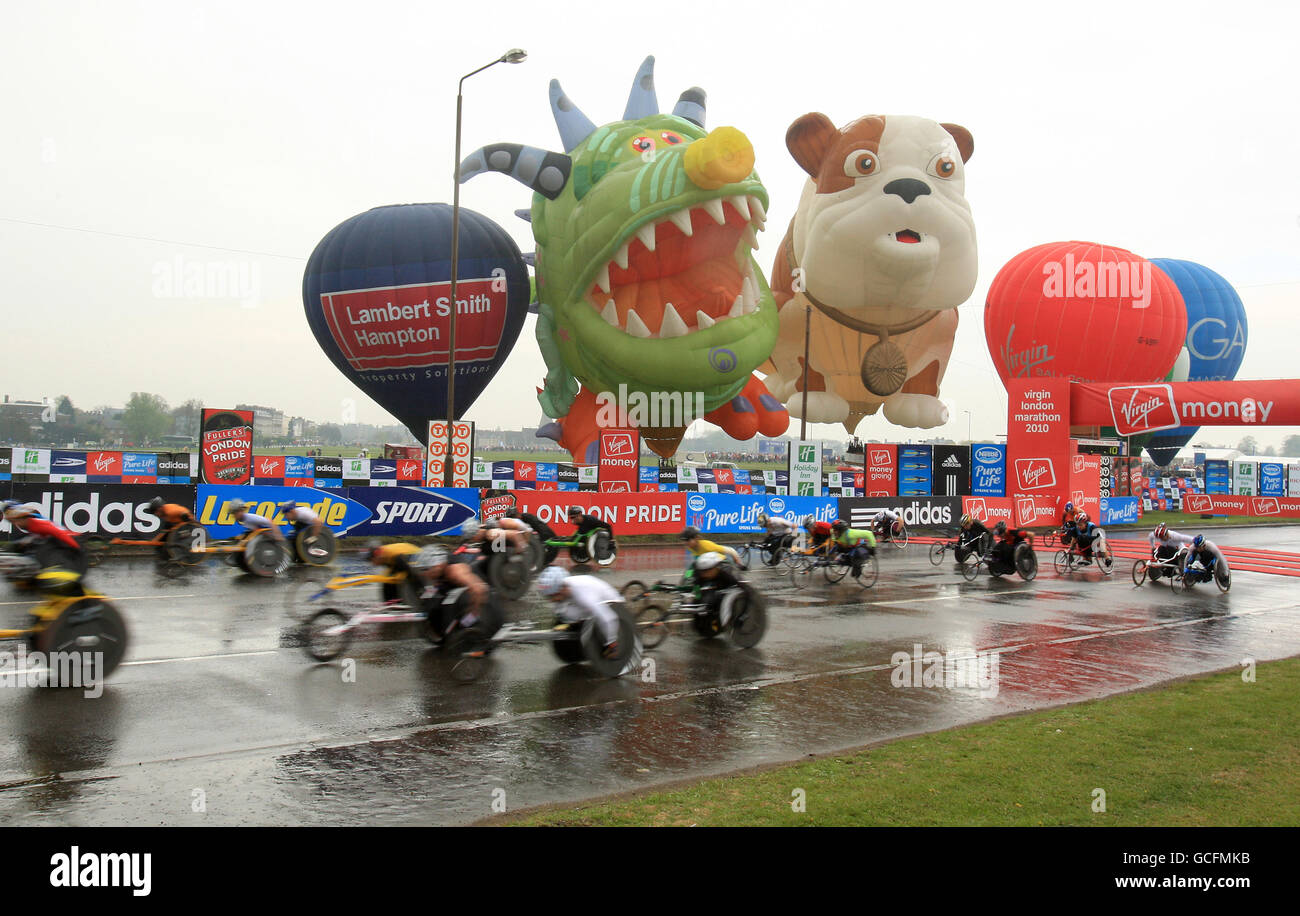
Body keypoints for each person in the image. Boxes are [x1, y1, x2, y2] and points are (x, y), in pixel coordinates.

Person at [406, 544, 498, 641]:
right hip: (448, 582)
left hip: (476, 592)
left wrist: (469, 618)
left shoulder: (456, 572)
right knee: (430, 600)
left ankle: (473, 629)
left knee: (461, 612)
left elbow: (480, 590)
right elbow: (432, 589)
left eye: (425, 569)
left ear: (437, 566)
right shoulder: (437, 569)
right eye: (422, 570)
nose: (423, 574)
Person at [536, 565, 623, 658]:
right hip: (584, 604)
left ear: (563, 588)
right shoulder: (565, 588)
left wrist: (612, 644)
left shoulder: (584, 595)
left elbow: (608, 618)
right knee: (564, 613)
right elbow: (561, 611)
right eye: (549, 597)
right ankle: (579, 624)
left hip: (610, 602)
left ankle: (611, 643)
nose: (551, 600)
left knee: (574, 613)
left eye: (553, 596)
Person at [3, 502, 87, 579]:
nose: (16, 524)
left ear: (24, 518)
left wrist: (76, 547)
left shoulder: (37, 524)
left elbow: (59, 533)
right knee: (23, 544)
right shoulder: (29, 524)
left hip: (69, 540)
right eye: (14, 522)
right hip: (54, 542)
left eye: (17, 521)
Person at [691, 551, 745, 634]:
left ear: (715, 568)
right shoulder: (699, 575)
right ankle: (702, 626)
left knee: (714, 601)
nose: (705, 574)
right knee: (699, 602)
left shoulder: (725, 574)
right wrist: (697, 598)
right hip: (710, 591)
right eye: (703, 571)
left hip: (723, 594)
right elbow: (696, 589)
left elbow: (739, 585)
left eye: (708, 571)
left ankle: (722, 624)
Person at [680, 526, 746, 571]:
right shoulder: (690, 547)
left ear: (696, 538)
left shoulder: (707, 545)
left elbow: (731, 550)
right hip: (708, 566)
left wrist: (739, 563)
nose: (686, 543)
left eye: (688, 540)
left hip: (722, 565)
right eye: (684, 540)